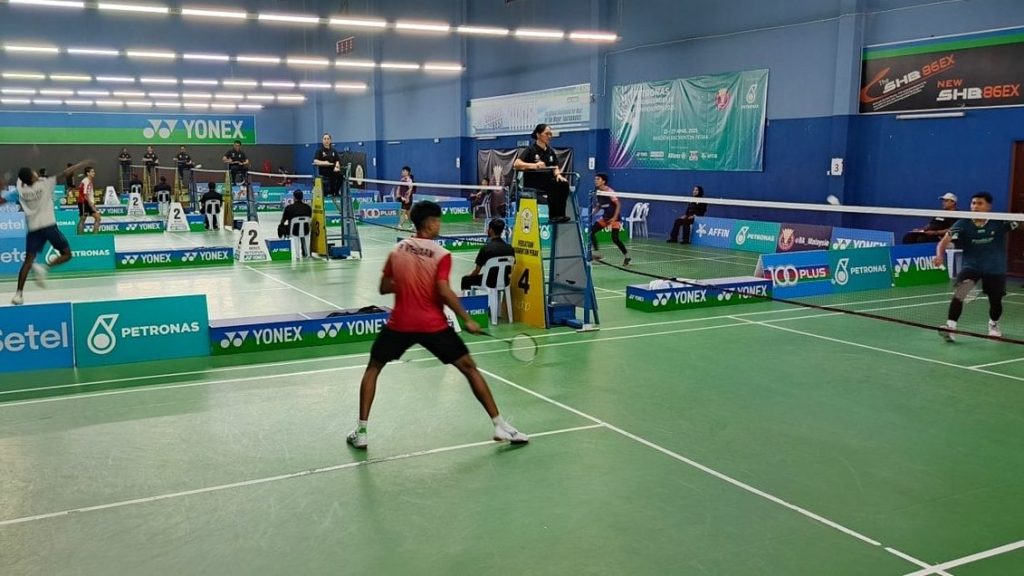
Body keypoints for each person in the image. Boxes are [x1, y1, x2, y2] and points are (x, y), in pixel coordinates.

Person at [347, 200, 529, 449]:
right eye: (438, 221)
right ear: (430, 223)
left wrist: (406, 282)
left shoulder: (397, 250)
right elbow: (443, 290)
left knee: (373, 368)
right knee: (470, 369)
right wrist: (466, 319)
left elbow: (383, 287)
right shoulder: (441, 255)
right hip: (432, 325)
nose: (439, 225)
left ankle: (361, 431)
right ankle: (499, 425)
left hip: (400, 324)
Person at [933, 192, 1019, 341]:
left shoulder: (999, 221)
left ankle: (993, 324)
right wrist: (939, 255)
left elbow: (1019, 221)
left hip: (995, 268)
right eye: (973, 203)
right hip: (972, 267)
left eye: (980, 203)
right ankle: (950, 327)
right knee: (960, 294)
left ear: (988, 206)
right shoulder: (963, 224)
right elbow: (944, 242)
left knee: (995, 301)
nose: (975, 206)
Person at [2, 161, 91, 305]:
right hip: (49, 226)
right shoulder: (45, 184)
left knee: (28, 261)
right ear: (32, 177)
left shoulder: (18, 191)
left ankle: (18, 294)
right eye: (33, 172)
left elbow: (2, 200)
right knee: (67, 254)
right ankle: (44, 267)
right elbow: (65, 173)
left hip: (33, 229)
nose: (35, 173)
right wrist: (82, 163)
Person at [514, 123, 571, 223]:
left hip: (548, 181)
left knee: (564, 184)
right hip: (533, 183)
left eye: (550, 134)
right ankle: (553, 216)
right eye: (547, 134)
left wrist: (558, 175)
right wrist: (534, 165)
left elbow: (555, 167)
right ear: (538, 135)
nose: (549, 136)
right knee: (553, 185)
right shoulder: (530, 150)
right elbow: (516, 164)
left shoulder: (550, 151)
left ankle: (561, 214)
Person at [460, 218, 515, 292]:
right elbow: (512, 269)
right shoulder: (510, 248)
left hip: (489, 282)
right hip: (505, 282)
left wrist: (468, 276)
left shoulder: (486, 249)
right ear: (502, 231)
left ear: (491, 230)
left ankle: (468, 299)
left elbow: (477, 271)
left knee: (465, 280)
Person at [590, 173, 631, 266]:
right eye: (595, 179)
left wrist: (614, 218)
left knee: (615, 239)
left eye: (598, 179)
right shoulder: (598, 192)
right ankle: (597, 254)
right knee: (591, 232)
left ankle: (627, 256)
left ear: (603, 181)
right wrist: (591, 214)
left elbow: (618, 205)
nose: (595, 181)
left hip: (615, 219)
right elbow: (599, 205)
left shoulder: (610, 191)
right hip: (605, 218)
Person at [312, 132, 342, 212]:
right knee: (330, 179)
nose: (326, 140)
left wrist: (337, 166)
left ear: (330, 140)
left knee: (340, 176)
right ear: (322, 140)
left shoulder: (334, 150)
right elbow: (315, 161)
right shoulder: (319, 150)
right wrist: (325, 162)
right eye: (325, 139)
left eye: (328, 139)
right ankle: (329, 192)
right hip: (324, 172)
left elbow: (338, 160)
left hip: (333, 171)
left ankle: (336, 192)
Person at [76, 166, 101, 235]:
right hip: (83, 202)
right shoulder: (86, 181)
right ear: (88, 173)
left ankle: (95, 237)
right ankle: (80, 237)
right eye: (92, 172)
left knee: (98, 218)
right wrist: (91, 204)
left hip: (88, 202)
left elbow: (89, 194)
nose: (94, 173)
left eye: (93, 171)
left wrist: (92, 203)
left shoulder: (89, 181)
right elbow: (85, 194)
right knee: (83, 219)